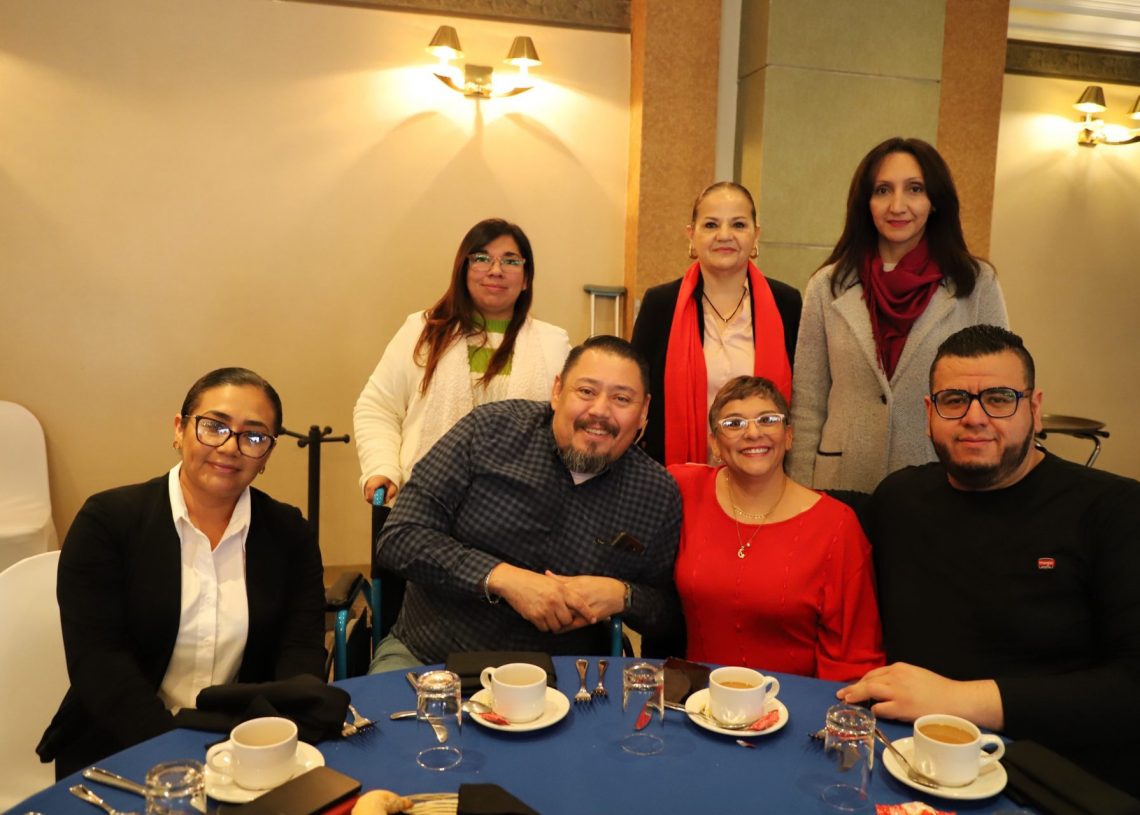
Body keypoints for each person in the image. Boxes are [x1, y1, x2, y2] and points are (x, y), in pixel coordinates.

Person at [838, 325, 1140, 796]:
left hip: (1046, 780)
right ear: (929, 413)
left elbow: (1131, 687)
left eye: (999, 399)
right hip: (899, 767)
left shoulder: (1113, 510)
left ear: (1035, 409)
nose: (974, 418)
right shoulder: (899, 499)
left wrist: (958, 700)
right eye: (954, 400)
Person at [37, 368, 326, 777]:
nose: (230, 447)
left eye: (254, 436)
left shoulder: (289, 532)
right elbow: (100, 664)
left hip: (241, 749)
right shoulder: (107, 522)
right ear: (179, 429)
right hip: (118, 748)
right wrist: (179, 759)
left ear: (267, 454)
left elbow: (300, 652)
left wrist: (270, 742)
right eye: (214, 426)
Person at [369, 335, 682, 671]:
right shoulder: (488, 431)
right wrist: (503, 579)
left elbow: (667, 610)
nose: (600, 411)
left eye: (621, 399)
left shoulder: (657, 492)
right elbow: (399, 536)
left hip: (570, 676)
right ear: (557, 391)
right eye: (586, 391)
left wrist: (622, 595)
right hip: (431, 657)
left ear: (643, 412)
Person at [788, 138, 1008, 493]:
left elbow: (998, 393)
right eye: (883, 190)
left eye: (915, 189)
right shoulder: (828, 286)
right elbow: (808, 402)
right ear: (866, 202)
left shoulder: (976, 283)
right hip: (842, 481)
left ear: (934, 201)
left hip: (940, 481)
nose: (897, 205)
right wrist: (799, 491)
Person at [668, 376, 883, 681]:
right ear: (714, 443)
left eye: (767, 420)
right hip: (698, 699)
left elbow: (853, 659)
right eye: (734, 423)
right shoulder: (685, 489)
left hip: (791, 702)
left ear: (789, 436)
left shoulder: (836, 526)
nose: (753, 433)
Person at [354, 218, 570, 505]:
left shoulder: (554, 344)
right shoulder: (422, 331)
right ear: (463, 270)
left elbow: (568, 427)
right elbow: (378, 407)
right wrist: (382, 468)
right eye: (481, 258)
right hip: (426, 502)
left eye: (510, 261)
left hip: (521, 509)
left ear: (526, 278)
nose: (496, 270)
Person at [631, 182, 801, 467]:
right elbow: (637, 393)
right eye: (711, 225)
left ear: (756, 234)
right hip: (674, 473)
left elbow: (803, 401)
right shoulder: (661, 304)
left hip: (764, 472)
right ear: (691, 234)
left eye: (738, 224)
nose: (724, 235)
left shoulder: (786, 303)